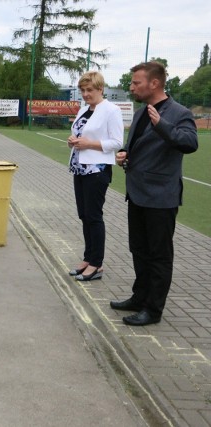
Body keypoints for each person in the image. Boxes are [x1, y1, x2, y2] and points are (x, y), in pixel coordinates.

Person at [110, 61, 198, 326]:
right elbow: (135, 145)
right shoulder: (140, 113)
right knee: (139, 249)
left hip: (161, 196)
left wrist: (162, 125)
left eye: (136, 82)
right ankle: (139, 297)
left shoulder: (179, 113)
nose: (131, 87)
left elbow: (189, 143)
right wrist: (125, 154)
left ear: (154, 83)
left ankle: (153, 309)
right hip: (137, 193)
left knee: (159, 255)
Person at [66, 71, 123, 282]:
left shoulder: (111, 110)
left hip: (97, 170)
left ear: (100, 89)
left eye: (89, 90)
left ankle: (96, 264)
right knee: (84, 215)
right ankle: (87, 259)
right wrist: (73, 140)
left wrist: (89, 144)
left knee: (94, 216)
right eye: (82, 90)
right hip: (80, 168)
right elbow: (81, 135)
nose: (85, 94)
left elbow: (116, 142)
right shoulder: (84, 109)